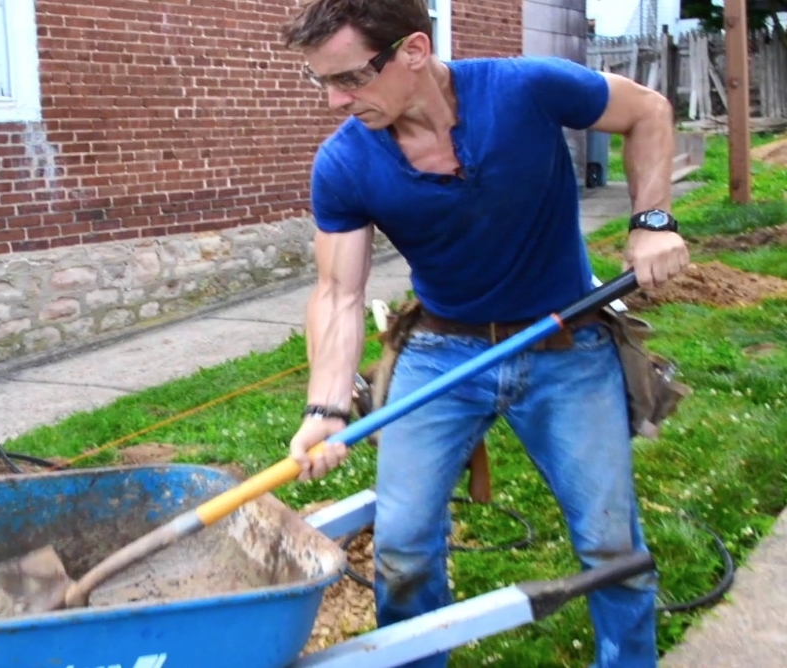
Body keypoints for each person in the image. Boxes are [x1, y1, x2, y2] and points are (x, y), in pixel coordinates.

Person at [279, 1, 690, 666]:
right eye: (320, 81)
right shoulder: (346, 164)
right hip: (441, 352)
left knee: (613, 546)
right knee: (404, 546)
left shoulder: (526, 89)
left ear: (413, 50)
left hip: (567, 345)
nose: (333, 101)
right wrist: (325, 408)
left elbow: (647, 111)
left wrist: (653, 220)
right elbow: (338, 292)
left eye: (350, 78)